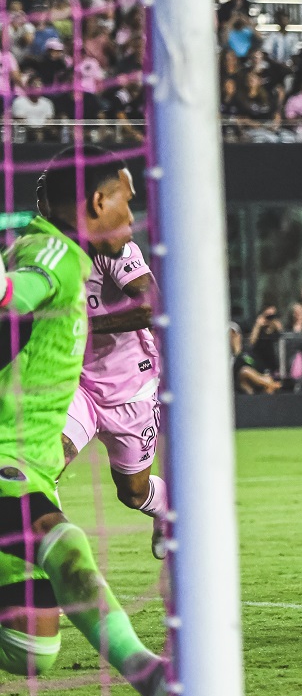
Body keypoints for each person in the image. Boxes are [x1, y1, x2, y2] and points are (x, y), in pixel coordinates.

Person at [0, 148, 167, 696]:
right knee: (60, 535)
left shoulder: (94, 254)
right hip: (42, 426)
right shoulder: (51, 250)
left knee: (32, 649)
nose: (132, 210)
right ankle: (152, 677)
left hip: (129, 389)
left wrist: (78, 321)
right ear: (98, 201)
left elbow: (150, 302)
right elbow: (11, 297)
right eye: (125, 198)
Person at [60, 213, 172, 559]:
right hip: (76, 384)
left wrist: (85, 326)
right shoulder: (42, 254)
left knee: (133, 493)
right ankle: (51, 556)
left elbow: (152, 306)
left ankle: (169, 512)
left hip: (131, 387)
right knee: (44, 463)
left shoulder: (112, 247)